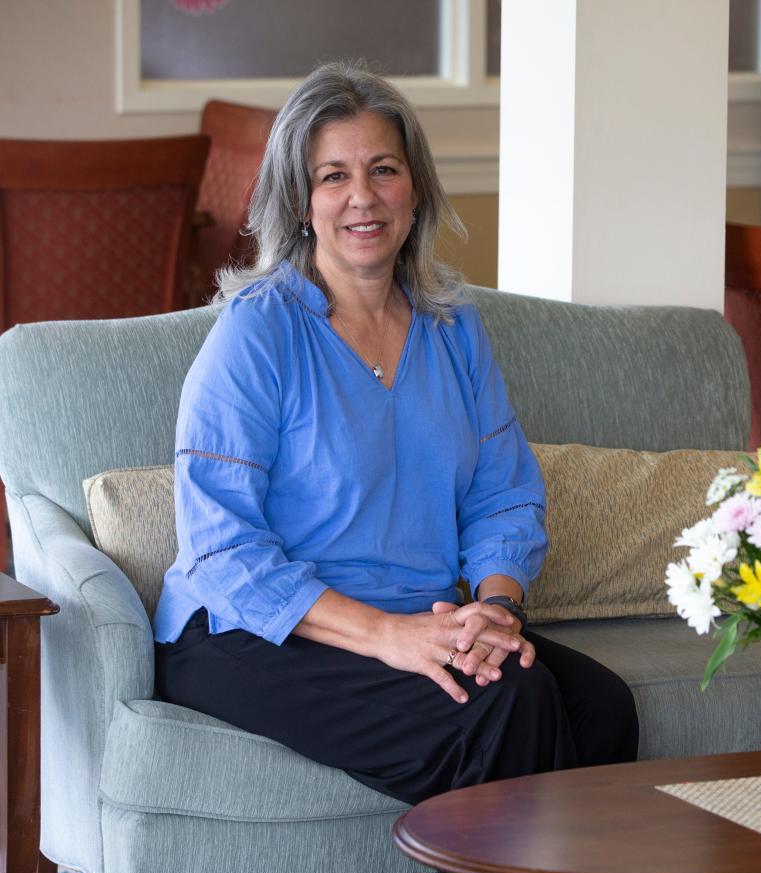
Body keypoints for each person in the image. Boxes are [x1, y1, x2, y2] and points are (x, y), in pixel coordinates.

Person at [154, 61, 639, 805]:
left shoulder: (453, 326)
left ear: (414, 190)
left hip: (423, 614)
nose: (362, 197)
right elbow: (222, 549)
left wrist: (496, 610)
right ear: (301, 199)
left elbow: (502, 492)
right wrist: (388, 635)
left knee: (601, 705)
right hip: (252, 631)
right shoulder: (257, 334)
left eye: (383, 169)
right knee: (510, 703)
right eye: (333, 176)